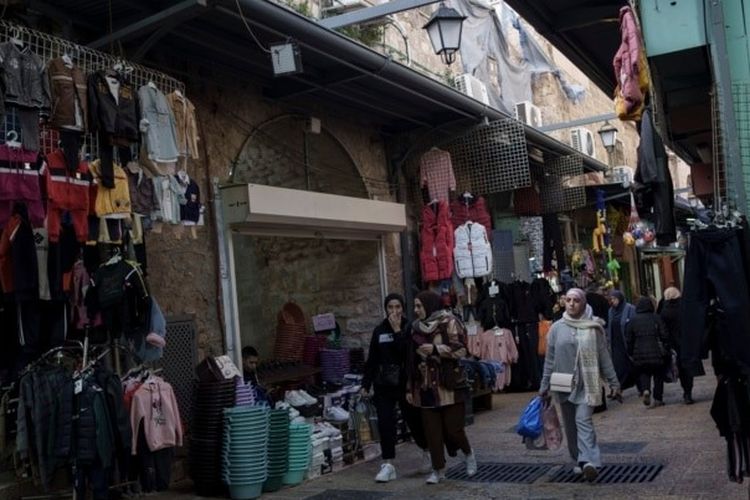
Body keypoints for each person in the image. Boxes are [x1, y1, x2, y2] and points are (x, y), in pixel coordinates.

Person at [539, 288, 621, 482]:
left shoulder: (594, 328)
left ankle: (588, 461)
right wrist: (544, 386)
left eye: (576, 300)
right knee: (570, 425)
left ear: (583, 303)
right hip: (562, 383)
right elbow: (549, 361)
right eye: (568, 300)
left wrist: (614, 383)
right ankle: (578, 458)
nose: (572, 303)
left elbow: (604, 357)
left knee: (583, 420)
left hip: (588, 384)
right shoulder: (556, 328)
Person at [407, 290, 476, 485]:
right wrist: (410, 388)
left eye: (419, 306)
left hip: (449, 385)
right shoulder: (415, 329)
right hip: (426, 385)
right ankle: (439, 469)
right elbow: (410, 361)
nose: (416, 310)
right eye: (415, 306)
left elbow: (462, 349)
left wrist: (437, 349)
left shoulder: (449, 322)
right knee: (432, 431)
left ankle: (469, 454)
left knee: (454, 429)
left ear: (429, 305)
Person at [362, 293, 429, 483]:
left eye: (397, 307)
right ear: (386, 309)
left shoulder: (409, 328)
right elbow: (372, 360)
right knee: (385, 423)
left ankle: (427, 451)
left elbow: (406, 354)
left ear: (403, 308)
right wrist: (365, 384)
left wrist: (398, 330)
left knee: (413, 420)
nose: (394, 311)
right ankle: (388, 463)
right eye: (390, 307)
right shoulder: (379, 331)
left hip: (405, 384)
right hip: (383, 385)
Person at [625, 297, 671, 408]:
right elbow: (664, 334)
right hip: (656, 351)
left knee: (644, 373)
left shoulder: (633, 320)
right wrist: (666, 347)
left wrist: (631, 352)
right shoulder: (656, 318)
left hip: (639, 352)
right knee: (658, 375)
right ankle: (658, 398)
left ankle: (646, 390)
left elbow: (629, 339)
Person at [659, 287, 700, 404]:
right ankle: (688, 391)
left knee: (680, 368)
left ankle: (686, 390)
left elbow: (663, 328)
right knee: (688, 368)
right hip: (687, 341)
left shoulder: (664, 310)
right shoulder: (685, 306)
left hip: (673, 344)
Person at [607, 290, 637, 390]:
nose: (613, 301)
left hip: (627, 340)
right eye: (611, 299)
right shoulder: (611, 311)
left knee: (631, 363)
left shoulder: (629, 308)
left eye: (614, 299)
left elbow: (634, 323)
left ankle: (638, 385)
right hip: (616, 342)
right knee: (618, 365)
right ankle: (619, 387)